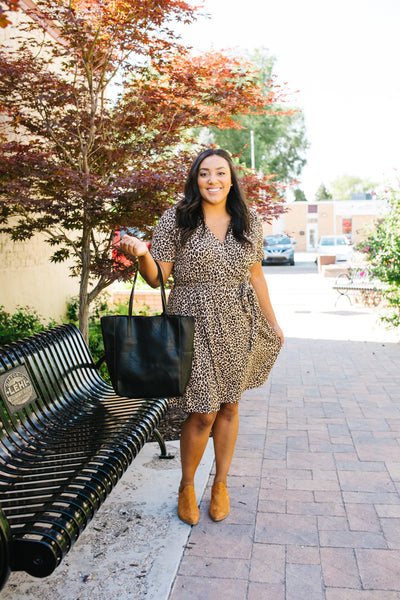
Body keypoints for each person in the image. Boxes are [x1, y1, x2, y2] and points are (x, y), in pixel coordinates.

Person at [120, 148, 283, 526]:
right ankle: (188, 485)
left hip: (240, 319)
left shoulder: (249, 220)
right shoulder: (176, 219)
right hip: (191, 320)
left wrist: (273, 322)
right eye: (205, 174)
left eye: (220, 173)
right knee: (203, 409)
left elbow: (256, 274)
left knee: (229, 405)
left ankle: (220, 484)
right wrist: (143, 254)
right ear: (196, 179)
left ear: (231, 178)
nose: (213, 180)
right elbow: (158, 277)